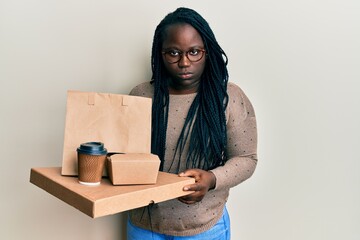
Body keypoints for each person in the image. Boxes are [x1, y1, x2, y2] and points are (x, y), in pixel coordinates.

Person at [128, 7, 257, 240]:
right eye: (174, 53)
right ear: (160, 53)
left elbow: (246, 159)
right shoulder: (141, 95)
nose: (184, 62)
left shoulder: (228, 98)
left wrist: (212, 179)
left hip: (205, 227)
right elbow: (124, 157)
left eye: (194, 52)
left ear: (207, 52)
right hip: (144, 225)